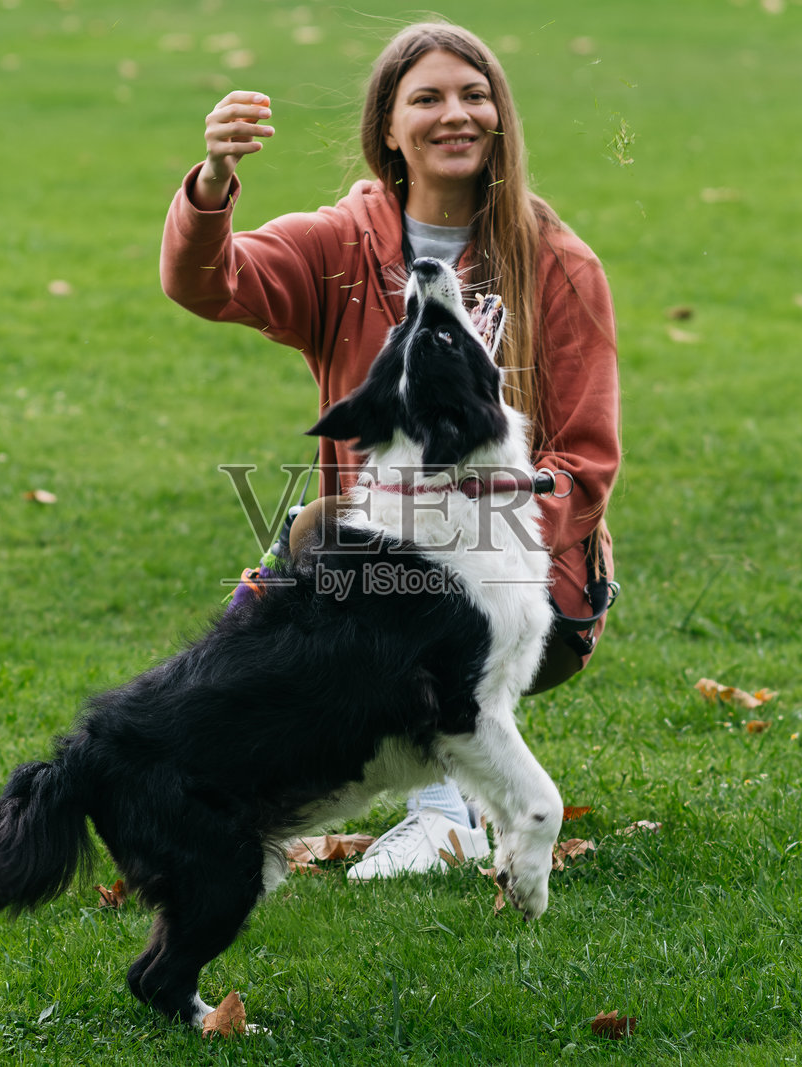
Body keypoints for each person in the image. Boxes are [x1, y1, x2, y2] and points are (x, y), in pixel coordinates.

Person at [160, 21, 620, 879]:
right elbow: (203, 281)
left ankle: (443, 811)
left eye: (475, 95)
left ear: (502, 119)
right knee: (321, 535)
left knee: (343, 542)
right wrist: (214, 181)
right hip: (382, 571)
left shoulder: (559, 265)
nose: (457, 115)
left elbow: (588, 463)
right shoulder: (336, 247)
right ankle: (215, 779)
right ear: (389, 130)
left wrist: (468, 535)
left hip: (527, 589)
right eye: (429, 99)